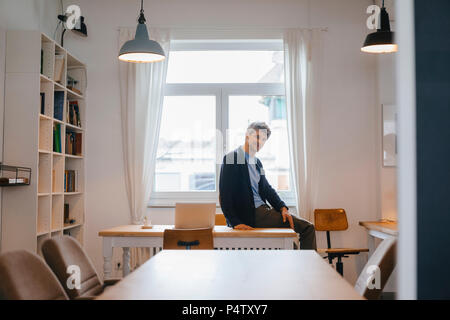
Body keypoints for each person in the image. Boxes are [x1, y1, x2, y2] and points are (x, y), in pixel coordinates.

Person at [219, 122, 317, 250]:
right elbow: (225, 195)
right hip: (252, 214)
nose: (260, 142)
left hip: (263, 211)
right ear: (247, 136)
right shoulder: (232, 158)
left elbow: (266, 189)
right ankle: (310, 269)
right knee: (308, 228)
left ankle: (299, 267)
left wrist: (282, 207)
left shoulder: (257, 163)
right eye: (258, 137)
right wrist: (234, 222)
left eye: (264, 139)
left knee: (291, 246)